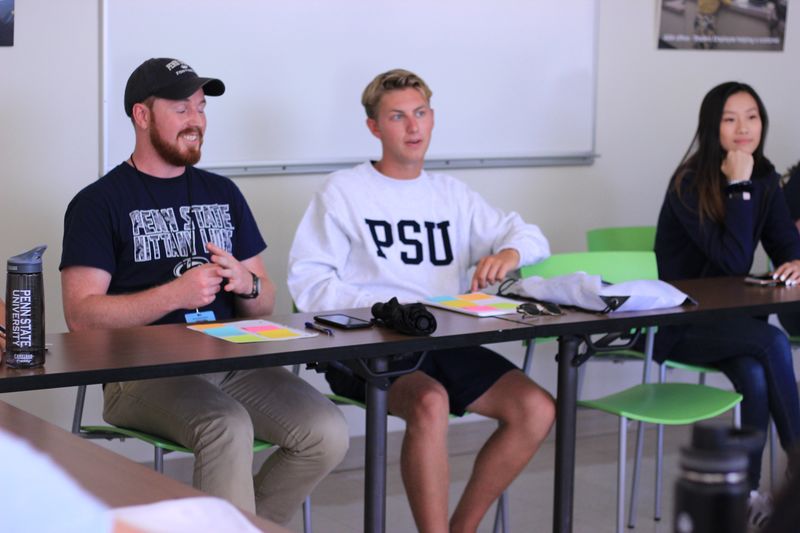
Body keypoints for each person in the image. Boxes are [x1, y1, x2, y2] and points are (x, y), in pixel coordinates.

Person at [59, 57, 348, 525]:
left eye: (201, 107)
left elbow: (265, 299)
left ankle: (247, 524)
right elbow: (82, 316)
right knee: (227, 426)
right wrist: (175, 294)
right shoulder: (98, 203)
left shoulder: (224, 192)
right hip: (139, 373)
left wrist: (246, 282)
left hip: (230, 361)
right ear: (142, 115)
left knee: (327, 431)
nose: (196, 121)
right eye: (181, 109)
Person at [288, 69, 555, 533]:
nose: (413, 127)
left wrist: (510, 253)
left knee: (537, 409)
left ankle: (462, 528)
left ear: (432, 118)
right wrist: (387, 309)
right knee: (430, 403)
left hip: (442, 339)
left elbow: (530, 236)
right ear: (374, 127)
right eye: (397, 116)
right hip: (367, 347)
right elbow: (308, 285)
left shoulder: (452, 195)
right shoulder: (343, 191)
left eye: (421, 113)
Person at [654, 81, 800, 531]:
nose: (744, 128)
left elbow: (784, 245)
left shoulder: (766, 177)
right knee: (773, 340)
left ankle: (750, 492)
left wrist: (796, 260)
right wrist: (737, 184)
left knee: (757, 371)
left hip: (734, 325)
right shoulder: (688, 183)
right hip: (680, 324)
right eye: (730, 118)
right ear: (711, 125)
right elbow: (733, 262)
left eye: (752, 116)